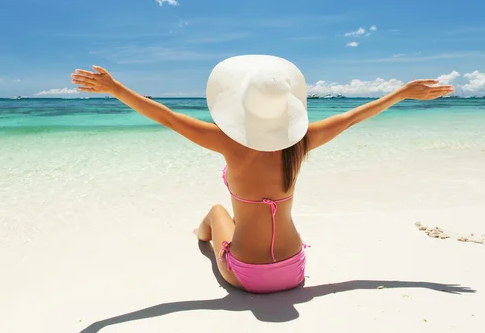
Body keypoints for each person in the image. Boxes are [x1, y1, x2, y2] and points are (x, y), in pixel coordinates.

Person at [70, 55, 454, 294]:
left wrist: (115, 88)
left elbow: (167, 117)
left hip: (246, 276)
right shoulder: (301, 143)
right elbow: (353, 117)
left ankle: (200, 237)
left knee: (216, 212)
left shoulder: (228, 143)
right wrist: (401, 93)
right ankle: (216, 237)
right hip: (294, 271)